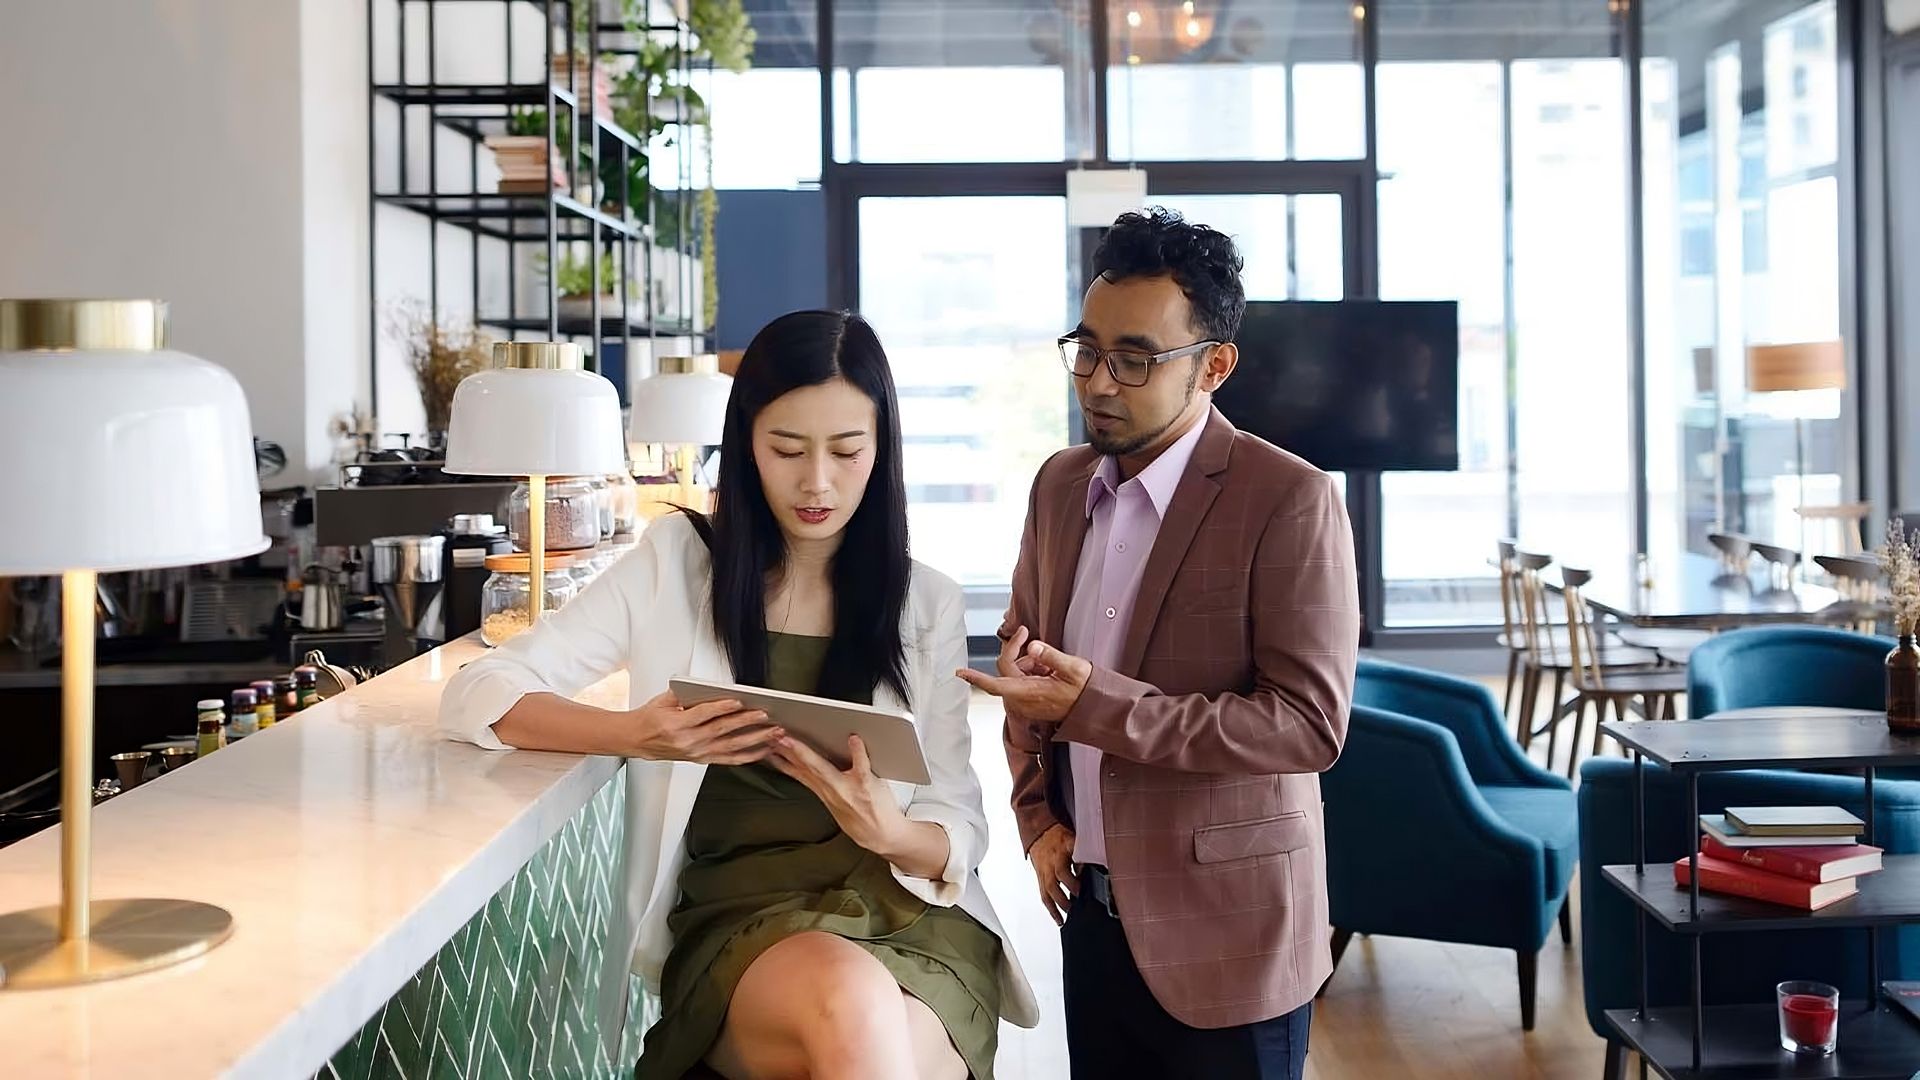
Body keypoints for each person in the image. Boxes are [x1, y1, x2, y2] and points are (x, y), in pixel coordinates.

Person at [440, 310, 1037, 1080]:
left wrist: (889, 830)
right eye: (786, 449)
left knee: (870, 1031)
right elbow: (478, 692)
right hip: (743, 921)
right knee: (853, 1009)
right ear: (747, 443)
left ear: (882, 449)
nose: (816, 481)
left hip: (911, 918)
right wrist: (636, 734)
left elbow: (957, 821)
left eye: (847, 451)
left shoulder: (927, 602)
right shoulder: (676, 564)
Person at [960, 208, 1359, 1080]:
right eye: (1087, 350)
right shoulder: (1059, 486)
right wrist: (1036, 817)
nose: (1099, 383)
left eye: (1135, 359)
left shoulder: (1289, 498)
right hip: (1091, 919)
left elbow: (1306, 726)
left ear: (1214, 366)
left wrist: (1096, 707)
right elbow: (1027, 670)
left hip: (1232, 934)